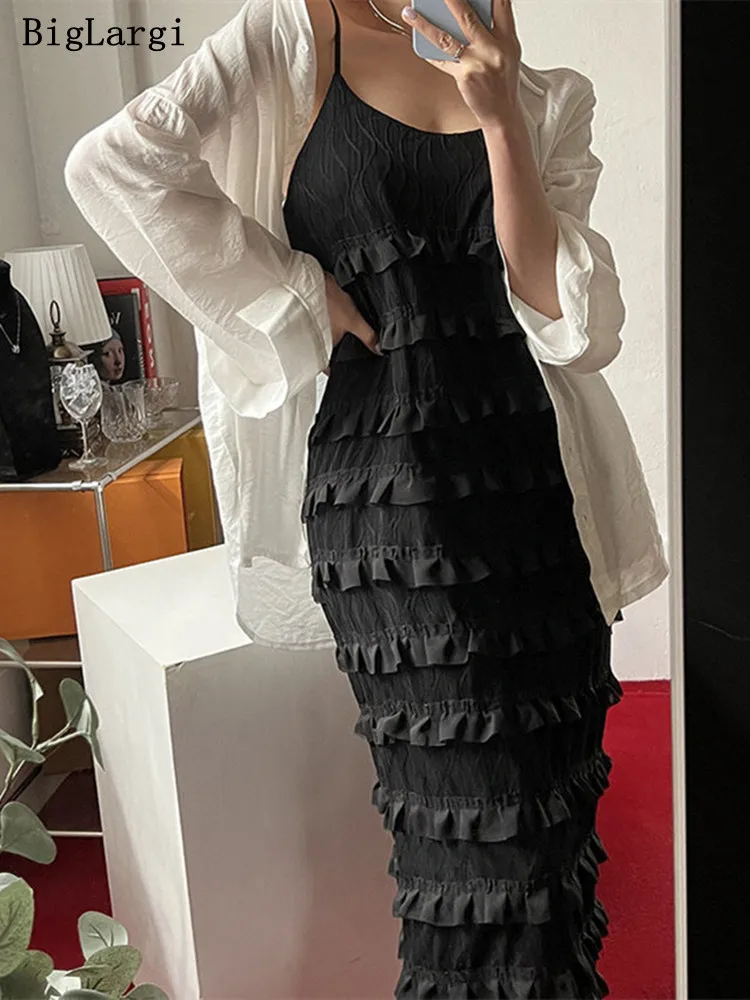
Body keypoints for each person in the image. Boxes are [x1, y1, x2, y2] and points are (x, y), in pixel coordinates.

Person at [64, 0, 669, 995]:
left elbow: (572, 324)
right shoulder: (291, 33)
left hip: (536, 502)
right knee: (468, 851)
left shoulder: (547, 95)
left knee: (546, 836)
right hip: (390, 499)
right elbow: (113, 166)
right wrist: (295, 291)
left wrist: (503, 115)